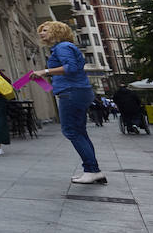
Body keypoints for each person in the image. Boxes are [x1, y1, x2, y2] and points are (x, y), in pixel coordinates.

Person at [33, 21, 106, 184]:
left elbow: (71, 67)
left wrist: (44, 71)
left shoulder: (62, 47)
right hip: (77, 91)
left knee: (71, 131)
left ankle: (92, 170)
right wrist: (45, 76)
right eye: (41, 31)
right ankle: (92, 169)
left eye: (45, 30)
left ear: (56, 31)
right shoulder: (65, 47)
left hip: (72, 92)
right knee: (80, 132)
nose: (41, 33)